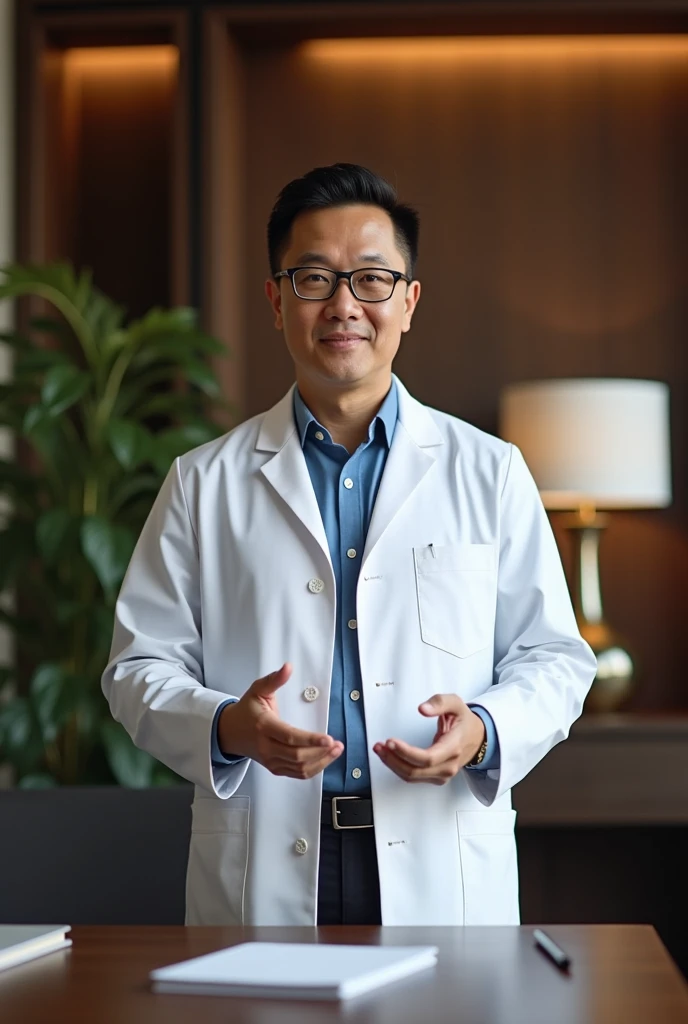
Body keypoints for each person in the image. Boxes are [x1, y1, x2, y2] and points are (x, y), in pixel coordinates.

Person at [102, 163, 596, 927]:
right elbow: (138, 668)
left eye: (371, 280)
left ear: (408, 302)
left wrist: (484, 730)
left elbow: (556, 659)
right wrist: (229, 725)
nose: (343, 305)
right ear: (275, 299)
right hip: (264, 862)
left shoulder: (489, 471)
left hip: (440, 861)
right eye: (313, 278)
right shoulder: (203, 483)